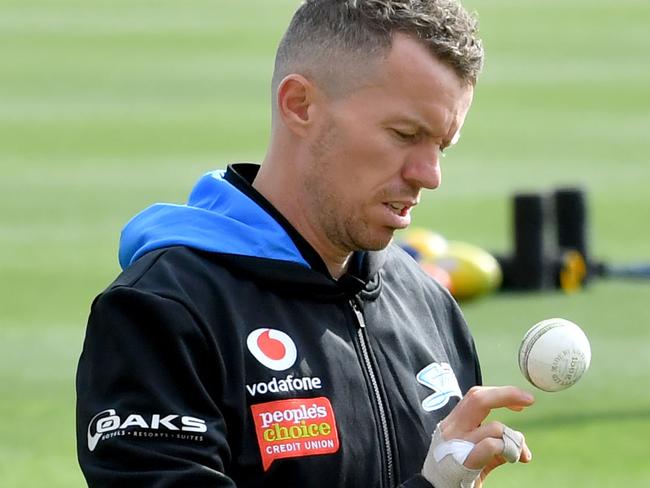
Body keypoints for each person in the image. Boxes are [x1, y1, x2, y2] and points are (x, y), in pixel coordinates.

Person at [76, 1, 535, 487]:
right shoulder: (162, 313)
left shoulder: (426, 303)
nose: (430, 175)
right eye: (404, 134)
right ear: (301, 105)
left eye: (441, 145)